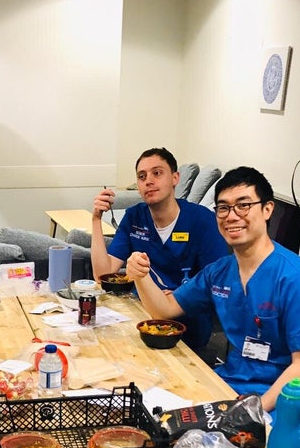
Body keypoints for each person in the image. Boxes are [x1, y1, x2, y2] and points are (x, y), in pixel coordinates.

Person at [125, 166, 300, 430]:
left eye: (243, 205)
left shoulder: (296, 278)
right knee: (155, 417)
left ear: (267, 209)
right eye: (223, 208)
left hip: (287, 398)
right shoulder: (220, 271)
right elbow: (164, 311)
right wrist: (140, 275)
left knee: (214, 445)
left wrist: (251, 410)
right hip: (234, 382)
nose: (232, 216)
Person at [91, 148, 228, 348]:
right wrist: (96, 219)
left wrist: (177, 297)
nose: (149, 181)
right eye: (142, 176)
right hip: (141, 314)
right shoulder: (134, 217)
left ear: (175, 178)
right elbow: (102, 274)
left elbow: (217, 280)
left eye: (157, 173)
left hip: (186, 325)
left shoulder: (202, 220)